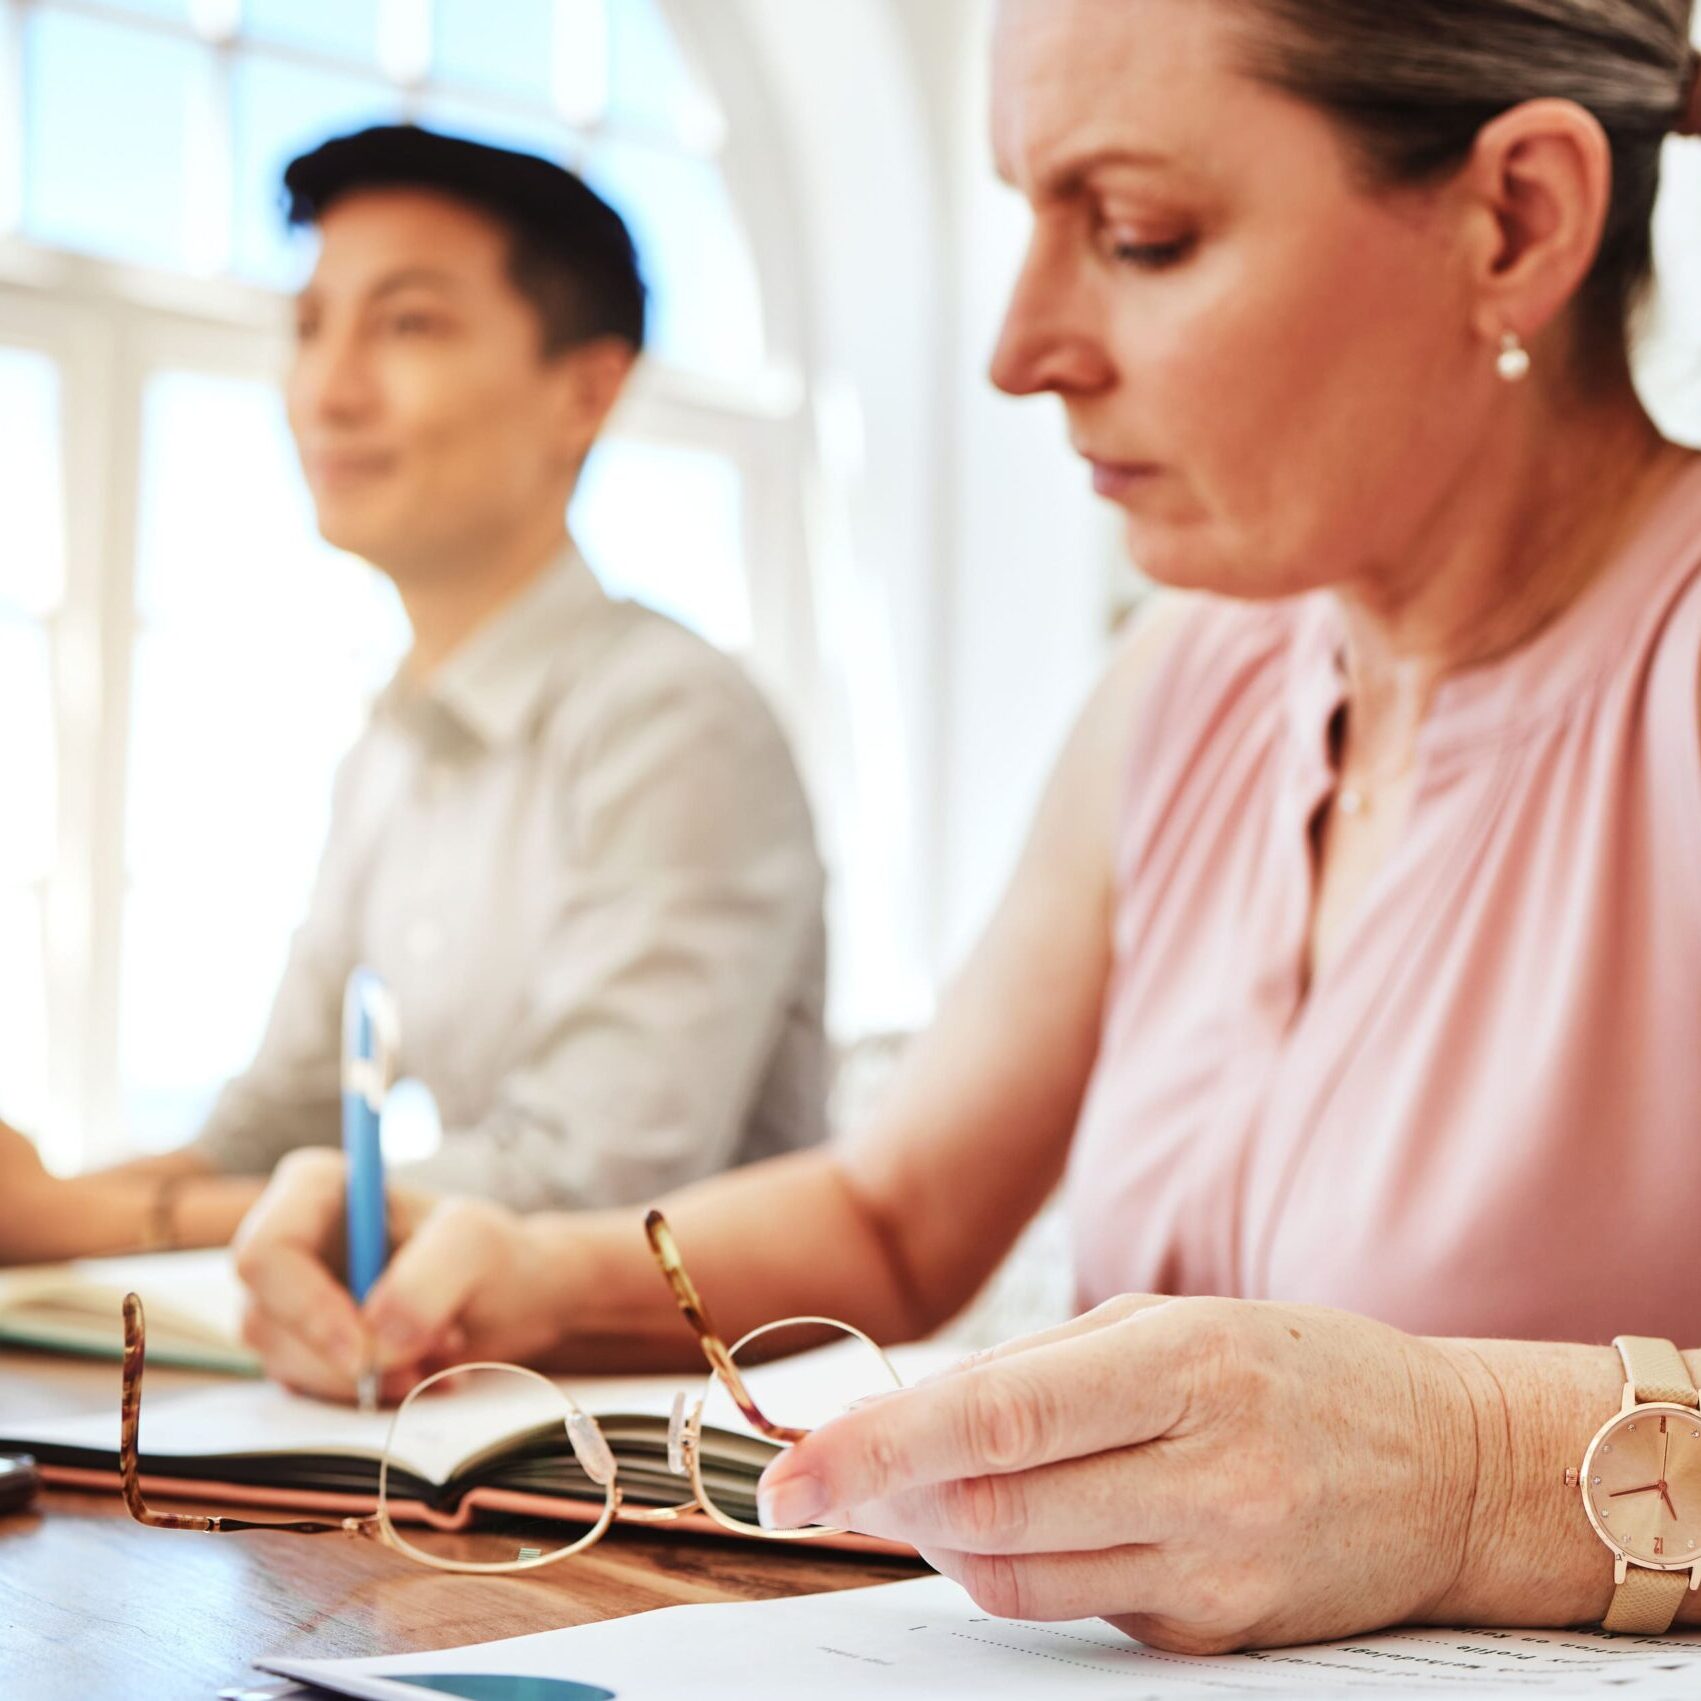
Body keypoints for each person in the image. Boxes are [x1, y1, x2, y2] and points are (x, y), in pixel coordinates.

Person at [234, 0, 1701, 1656]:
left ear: (1516, 222)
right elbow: (896, 1214)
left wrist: (1472, 1472)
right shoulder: (1187, 683)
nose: (1018, 349)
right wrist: (522, 1270)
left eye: (1143, 235)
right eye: (1029, 219)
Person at [0, 126, 827, 1263]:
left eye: (407, 324)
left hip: (679, 1417)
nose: (325, 392)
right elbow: (268, 1128)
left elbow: (586, 1187)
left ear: (585, 391)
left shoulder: (676, 722)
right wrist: (43, 1205)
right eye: (308, 328)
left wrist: (85, 1222)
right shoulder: (387, 749)